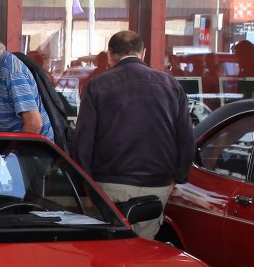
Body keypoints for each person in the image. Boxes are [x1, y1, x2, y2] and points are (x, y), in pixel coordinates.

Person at [72, 29, 194, 239]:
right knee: (143, 247)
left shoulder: (98, 86)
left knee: (112, 248)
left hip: (109, 183)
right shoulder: (171, 85)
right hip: (157, 185)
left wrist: (87, 187)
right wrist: (176, 178)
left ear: (110, 55)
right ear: (143, 53)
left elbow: (83, 142)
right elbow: (186, 139)